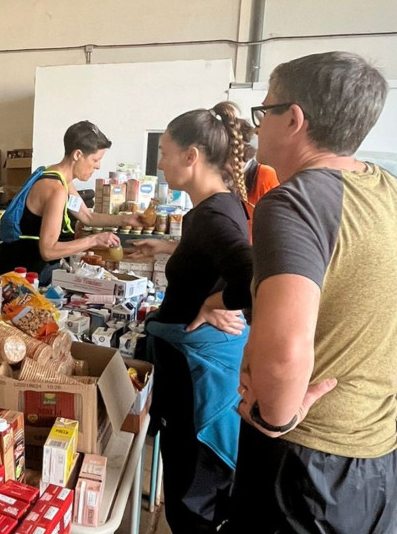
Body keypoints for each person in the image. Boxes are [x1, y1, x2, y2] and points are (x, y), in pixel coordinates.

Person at [229, 52, 396, 533]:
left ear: (294, 119)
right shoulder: (388, 191)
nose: (257, 128)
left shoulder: (295, 202)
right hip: (376, 454)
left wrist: (275, 416)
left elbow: (284, 352)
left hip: (306, 458)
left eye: (264, 113)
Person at [128, 102, 253, 533]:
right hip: (194, 370)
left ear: (191, 156)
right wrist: (166, 249)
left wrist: (217, 304)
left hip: (199, 380)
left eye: (164, 152)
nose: (159, 163)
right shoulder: (217, 206)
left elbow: (252, 271)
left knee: (191, 503)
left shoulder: (212, 215)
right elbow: (213, 262)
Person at [0, 121, 129, 283]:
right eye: (95, 160)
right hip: (21, 277)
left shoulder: (61, 179)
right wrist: (94, 240)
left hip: (33, 271)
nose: (98, 166)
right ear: (78, 155)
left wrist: (125, 220)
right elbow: (48, 251)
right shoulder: (55, 189)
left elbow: (87, 216)